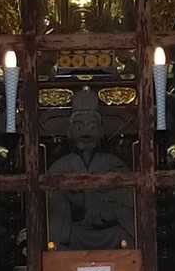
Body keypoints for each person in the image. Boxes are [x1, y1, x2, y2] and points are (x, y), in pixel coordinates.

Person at [46, 92, 134, 250]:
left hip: (108, 231)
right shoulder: (59, 167)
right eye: (79, 126)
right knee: (58, 242)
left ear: (101, 131)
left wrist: (100, 203)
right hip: (75, 233)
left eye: (92, 126)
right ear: (69, 132)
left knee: (122, 236)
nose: (86, 132)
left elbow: (126, 201)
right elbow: (52, 206)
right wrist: (72, 202)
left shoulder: (114, 164)